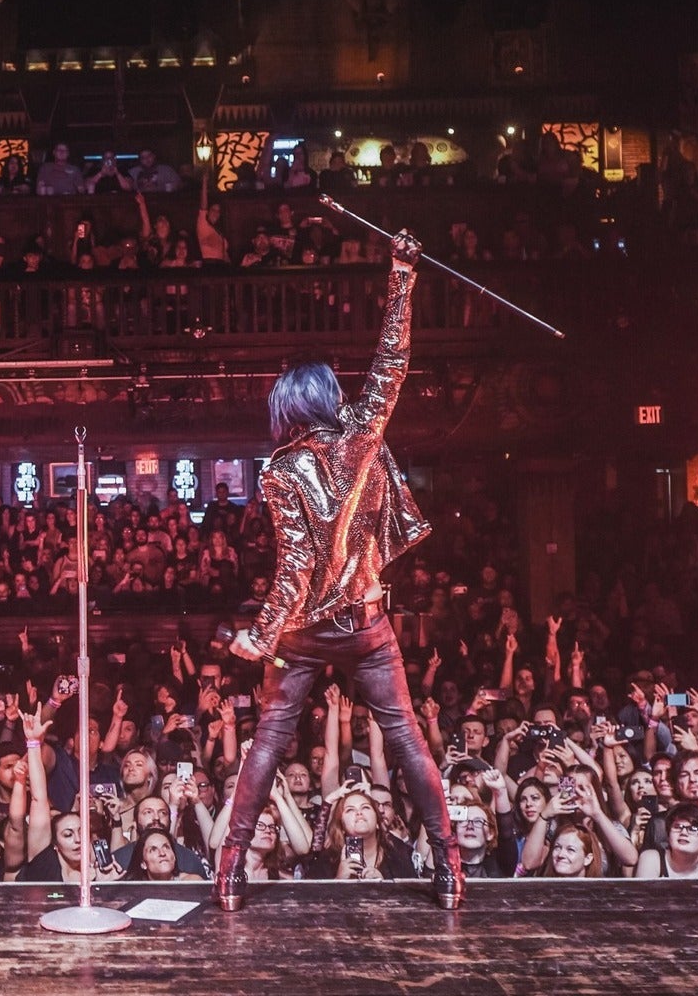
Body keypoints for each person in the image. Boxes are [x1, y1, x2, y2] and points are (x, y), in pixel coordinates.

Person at [217, 231, 459, 913]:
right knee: (406, 739)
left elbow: (295, 565)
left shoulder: (281, 471)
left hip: (301, 635)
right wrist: (403, 275)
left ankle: (230, 873)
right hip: (367, 622)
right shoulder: (364, 440)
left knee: (268, 741)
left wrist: (259, 638)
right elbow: (392, 362)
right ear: (328, 398)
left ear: (285, 409)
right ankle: (449, 871)